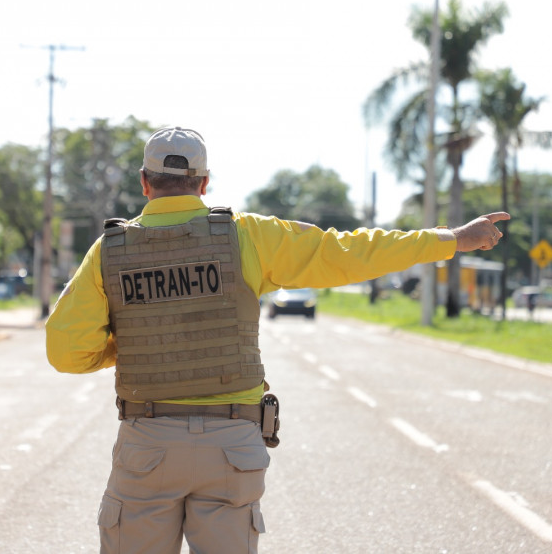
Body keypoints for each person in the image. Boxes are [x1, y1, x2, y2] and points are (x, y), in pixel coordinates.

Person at [45, 126, 509, 553]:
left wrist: (132, 343)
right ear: (204, 184)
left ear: (145, 183)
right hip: (232, 445)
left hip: (147, 442)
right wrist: (451, 238)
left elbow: (65, 351)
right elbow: (347, 252)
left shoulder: (110, 251)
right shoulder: (248, 235)